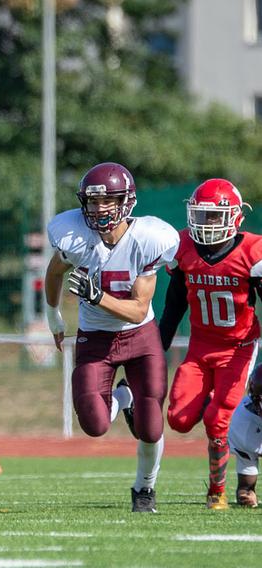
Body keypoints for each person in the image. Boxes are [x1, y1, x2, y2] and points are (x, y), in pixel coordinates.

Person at [44, 162, 179, 513]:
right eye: (92, 203)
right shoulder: (73, 236)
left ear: (127, 201)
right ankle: (123, 396)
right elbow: (55, 271)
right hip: (96, 338)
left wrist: (96, 297)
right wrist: (53, 315)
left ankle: (144, 489)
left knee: (150, 428)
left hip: (140, 337)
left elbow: (137, 310)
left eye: (108, 202)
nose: (99, 209)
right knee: (94, 424)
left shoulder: (148, 239)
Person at [157, 178, 262, 509]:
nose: (207, 224)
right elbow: (174, 305)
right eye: (201, 216)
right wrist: (155, 353)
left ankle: (217, 491)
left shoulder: (253, 251)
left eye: (215, 216)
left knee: (219, 420)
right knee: (178, 419)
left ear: (235, 218)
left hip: (239, 347)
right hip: (200, 348)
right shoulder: (184, 246)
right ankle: (218, 410)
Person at [227, 365, 262, 508]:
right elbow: (245, 489)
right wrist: (247, 494)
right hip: (251, 431)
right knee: (245, 495)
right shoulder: (243, 421)